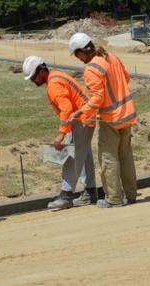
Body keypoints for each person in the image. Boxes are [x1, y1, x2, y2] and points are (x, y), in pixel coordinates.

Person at [68, 33, 138, 208]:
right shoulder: (111, 57)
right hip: (127, 115)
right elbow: (126, 79)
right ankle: (131, 194)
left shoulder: (92, 68)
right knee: (125, 156)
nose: (78, 59)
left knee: (108, 158)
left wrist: (80, 111)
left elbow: (98, 98)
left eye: (77, 55)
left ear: (81, 52)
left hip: (111, 119)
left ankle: (114, 199)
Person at [22, 56, 98, 209]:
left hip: (81, 120)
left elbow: (67, 109)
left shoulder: (54, 84)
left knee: (72, 158)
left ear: (42, 70)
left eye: (33, 77)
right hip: (85, 118)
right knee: (85, 156)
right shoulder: (56, 76)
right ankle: (90, 191)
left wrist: (62, 134)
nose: (33, 81)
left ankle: (66, 195)